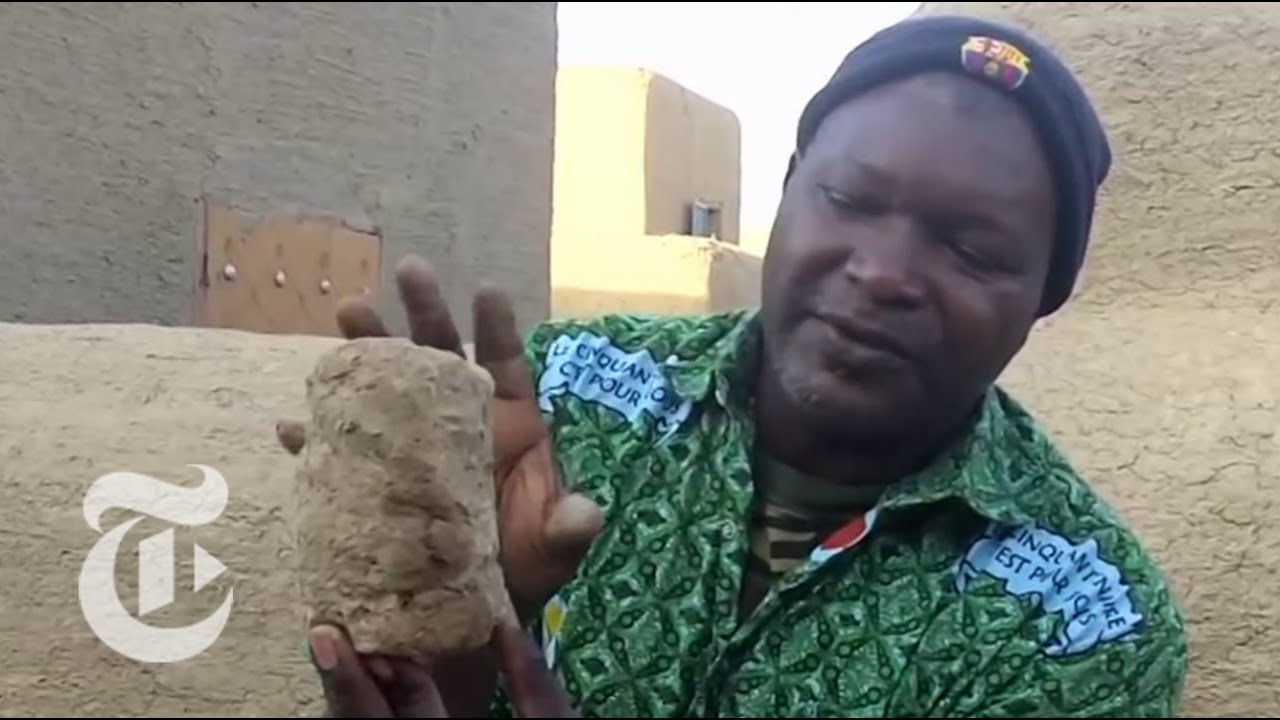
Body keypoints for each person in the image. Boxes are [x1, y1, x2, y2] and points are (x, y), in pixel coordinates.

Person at [289, 12, 1189, 718]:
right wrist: (451, 618)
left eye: (971, 249)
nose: (880, 274)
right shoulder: (566, 401)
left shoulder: (1083, 622)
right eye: (847, 198)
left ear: (1043, 298)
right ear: (789, 188)